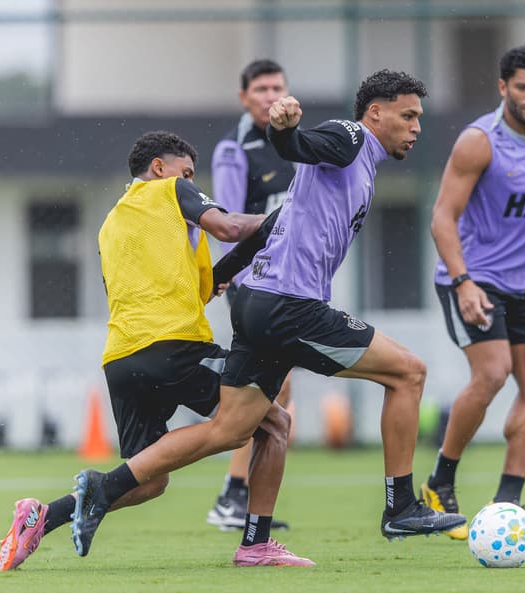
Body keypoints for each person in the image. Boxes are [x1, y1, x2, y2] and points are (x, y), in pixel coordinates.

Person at [69, 70, 467, 564]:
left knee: (251, 427)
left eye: (419, 118)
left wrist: (220, 275)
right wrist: (285, 130)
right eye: (408, 116)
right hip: (289, 307)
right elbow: (297, 145)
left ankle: (241, 539)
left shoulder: (351, 169)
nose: (417, 127)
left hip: (260, 302)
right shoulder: (351, 137)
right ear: (376, 113)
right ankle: (401, 505)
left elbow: (273, 229)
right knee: (409, 372)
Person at [0, 131, 292, 571]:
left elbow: (204, 285)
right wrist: (287, 220)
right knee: (272, 422)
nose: (193, 183)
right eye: (188, 172)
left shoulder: (112, 223)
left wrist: (254, 246)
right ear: (160, 168)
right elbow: (229, 226)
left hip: (122, 360)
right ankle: (255, 544)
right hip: (173, 345)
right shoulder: (171, 190)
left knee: (150, 480)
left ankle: (43, 517)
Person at [423, 46, 525, 540]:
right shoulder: (479, 142)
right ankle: (440, 482)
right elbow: (442, 219)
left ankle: (506, 503)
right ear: (503, 88)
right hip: (472, 276)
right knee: (493, 373)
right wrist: (463, 282)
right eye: (523, 87)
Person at [206, 59, 297, 532]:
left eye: (277, 86)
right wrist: (239, 279)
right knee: (265, 391)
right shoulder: (234, 150)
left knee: (278, 390)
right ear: (244, 97)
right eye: (260, 88)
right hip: (253, 284)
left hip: (293, 284)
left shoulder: (296, 144)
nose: (270, 94)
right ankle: (233, 495)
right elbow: (226, 221)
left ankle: (235, 495)